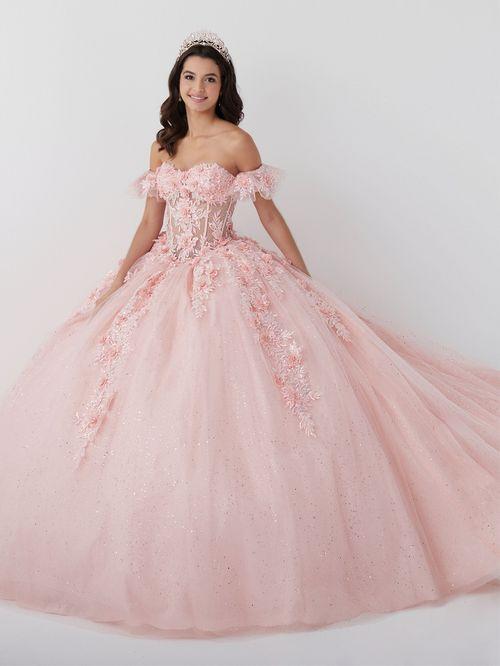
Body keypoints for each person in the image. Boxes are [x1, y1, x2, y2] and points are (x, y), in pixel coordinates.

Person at [0, 29, 499, 641]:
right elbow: (150, 222)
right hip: (166, 272)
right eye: (190, 77)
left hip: (227, 270)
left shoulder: (237, 142)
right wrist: (121, 276)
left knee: (256, 391)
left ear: (223, 88)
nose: (199, 88)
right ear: (177, 85)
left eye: (209, 79)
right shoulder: (163, 146)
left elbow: (267, 213)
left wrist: (302, 276)